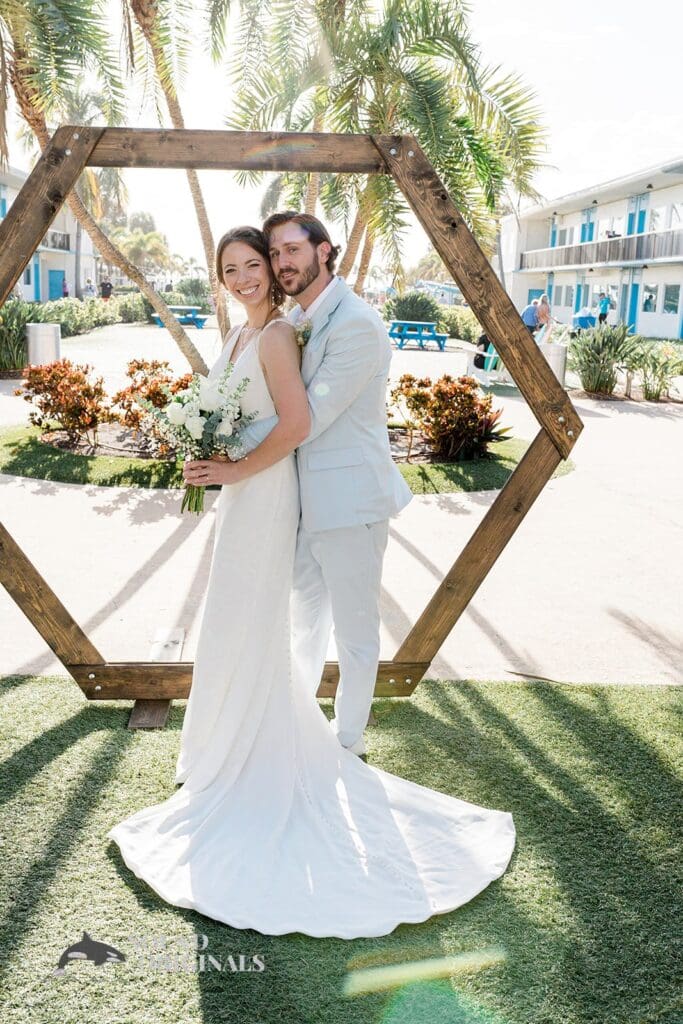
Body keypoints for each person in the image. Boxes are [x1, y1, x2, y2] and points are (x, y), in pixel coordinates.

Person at [106, 219, 515, 940]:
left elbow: (302, 419)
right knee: (278, 624)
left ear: (320, 252)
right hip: (276, 503)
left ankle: (342, 749)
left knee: (354, 638)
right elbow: (263, 409)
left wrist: (226, 460)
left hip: (344, 500)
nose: (269, 268)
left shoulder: (349, 325)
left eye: (281, 254)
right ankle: (266, 738)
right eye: (254, 260)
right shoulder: (285, 322)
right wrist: (203, 442)